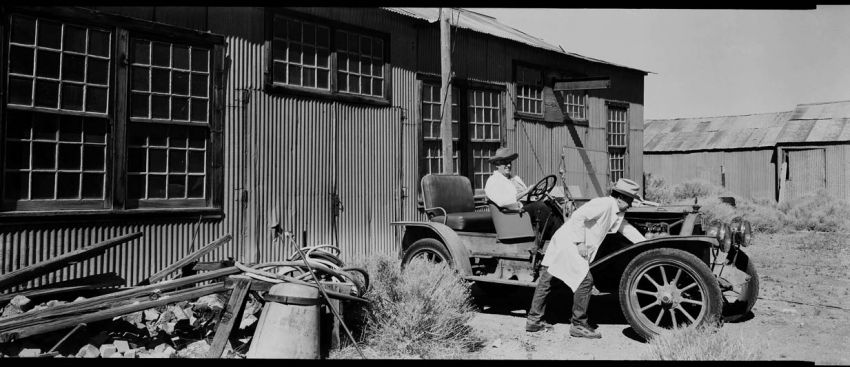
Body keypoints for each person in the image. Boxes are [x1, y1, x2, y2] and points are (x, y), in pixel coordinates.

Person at [525, 178, 647, 337]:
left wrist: (646, 243)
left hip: (565, 241)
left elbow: (625, 229)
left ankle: (533, 321)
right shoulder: (603, 204)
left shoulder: (615, 209)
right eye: (630, 200)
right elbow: (578, 216)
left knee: (548, 278)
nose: (630, 204)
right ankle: (578, 324)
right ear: (620, 198)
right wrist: (580, 242)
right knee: (585, 281)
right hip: (570, 243)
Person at [484, 147, 563, 240]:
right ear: (497, 164)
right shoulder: (493, 181)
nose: (509, 165)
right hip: (511, 216)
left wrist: (536, 194)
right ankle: (555, 239)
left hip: (522, 211)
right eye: (505, 162)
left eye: (510, 162)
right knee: (540, 207)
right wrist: (526, 192)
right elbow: (504, 202)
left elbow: (527, 196)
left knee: (551, 204)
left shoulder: (515, 178)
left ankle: (561, 235)